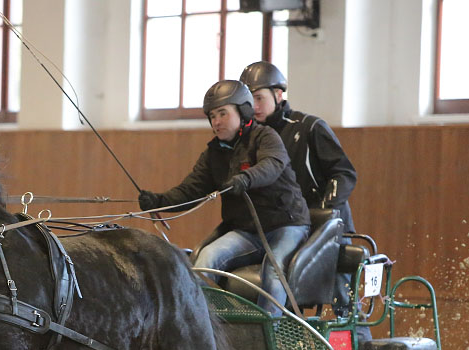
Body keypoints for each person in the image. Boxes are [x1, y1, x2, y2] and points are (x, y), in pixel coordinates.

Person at [138, 80, 310, 317]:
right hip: (246, 232)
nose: (216, 121)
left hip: (287, 225)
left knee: (274, 272)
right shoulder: (213, 154)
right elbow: (190, 190)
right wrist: (159, 201)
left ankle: (268, 336)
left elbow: (272, 164)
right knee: (206, 258)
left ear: (243, 111)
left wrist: (246, 178)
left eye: (222, 113)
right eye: (212, 116)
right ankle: (205, 328)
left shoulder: (265, 136)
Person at [239, 61, 359, 317]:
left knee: (344, 300)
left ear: (278, 94)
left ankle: (356, 345)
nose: (255, 106)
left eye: (259, 98)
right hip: (283, 228)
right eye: (250, 100)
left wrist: (325, 215)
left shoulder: (309, 127)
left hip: (326, 228)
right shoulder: (250, 138)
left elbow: (344, 173)